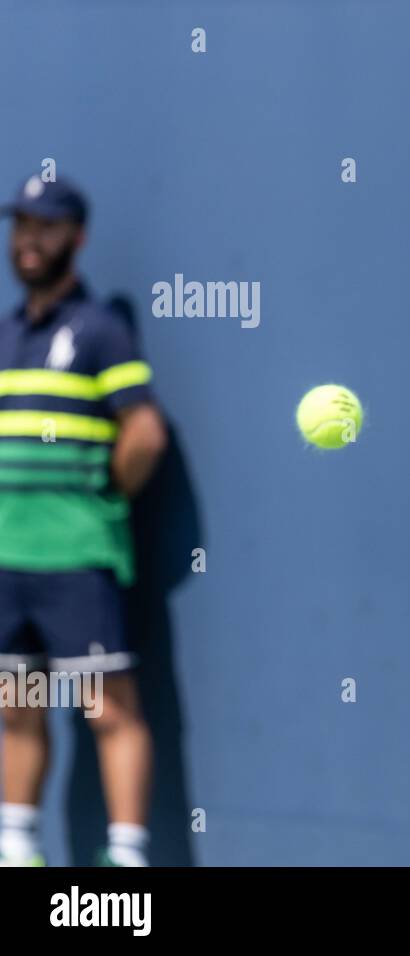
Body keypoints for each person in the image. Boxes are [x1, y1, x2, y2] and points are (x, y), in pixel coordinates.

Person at [0, 176, 168, 866]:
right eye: (21, 226)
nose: (29, 240)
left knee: (107, 708)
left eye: (45, 226)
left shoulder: (99, 329)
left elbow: (145, 433)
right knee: (16, 704)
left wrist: (101, 500)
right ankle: (17, 849)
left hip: (76, 559)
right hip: (9, 560)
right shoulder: (7, 333)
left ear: (77, 237)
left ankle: (126, 858)